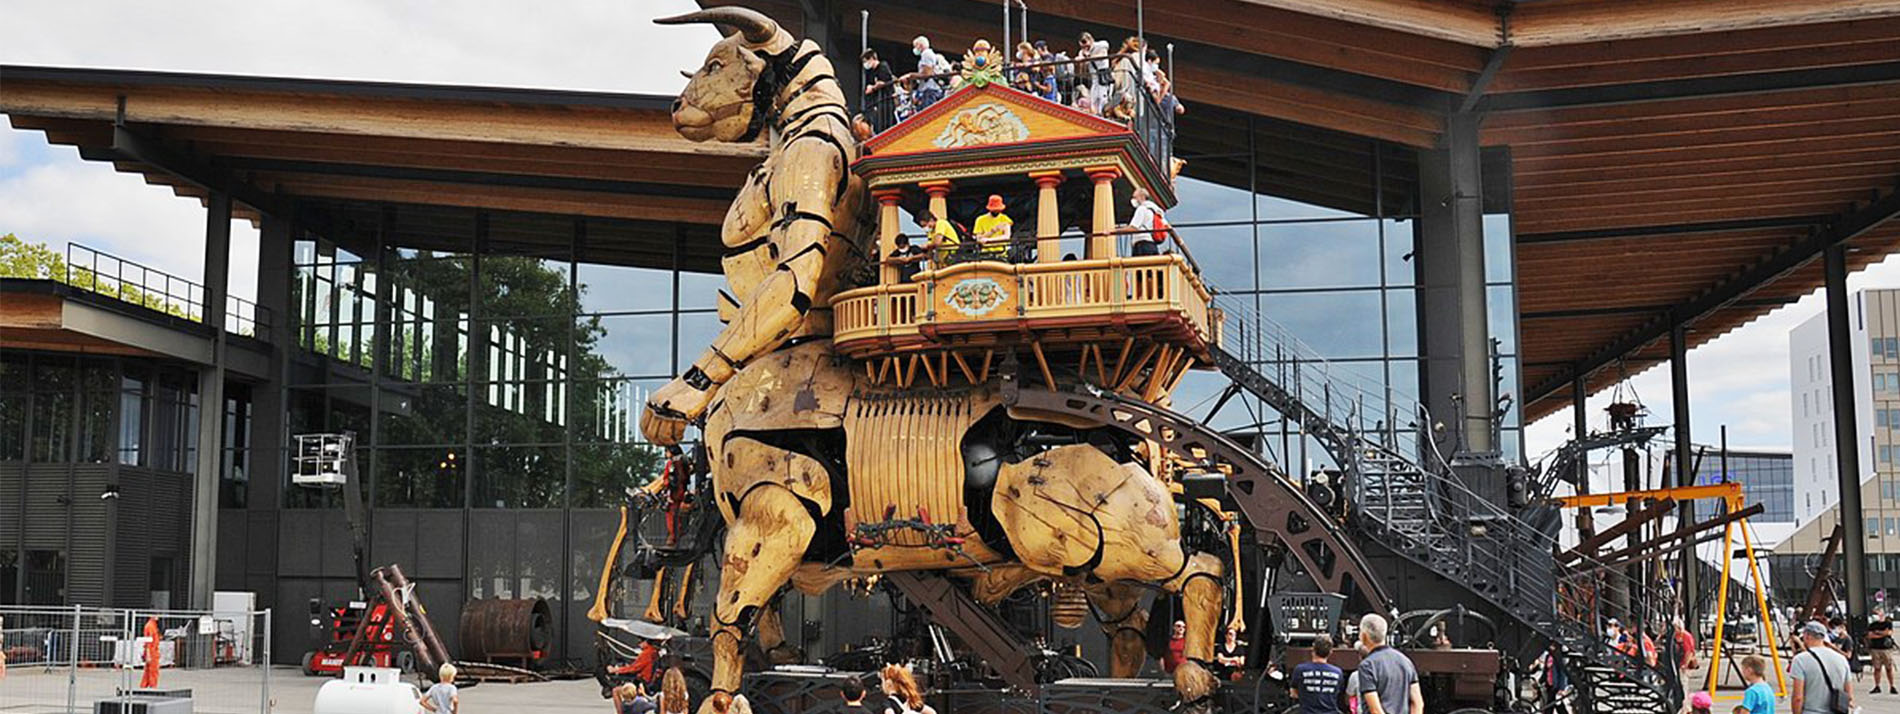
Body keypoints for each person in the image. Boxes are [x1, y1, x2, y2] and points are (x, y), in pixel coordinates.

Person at [1355, 613, 1423, 714]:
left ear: (1364, 635)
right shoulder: (1405, 661)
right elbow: (1418, 703)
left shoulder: (1367, 665)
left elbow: (1376, 710)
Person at [1791, 621, 1856, 714]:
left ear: (1807, 636)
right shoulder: (1841, 659)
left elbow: (1798, 697)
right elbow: (1849, 695)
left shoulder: (1800, 660)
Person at [1290, 634, 1344, 714]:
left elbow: (1293, 693)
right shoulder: (1338, 673)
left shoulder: (1300, 670)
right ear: (1330, 652)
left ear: (1313, 650)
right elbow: (1337, 693)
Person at [1128, 188, 1170, 256]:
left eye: (1135, 197)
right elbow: (1167, 226)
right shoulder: (1156, 211)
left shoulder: (1142, 209)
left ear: (1142, 197)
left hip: (1141, 245)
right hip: (1152, 245)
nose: (1133, 200)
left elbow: (1134, 227)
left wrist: (1113, 230)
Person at [912, 36, 948, 110]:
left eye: (915, 46)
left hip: (929, 89)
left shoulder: (926, 54)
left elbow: (927, 74)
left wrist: (911, 75)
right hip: (927, 89)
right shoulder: (926, 54)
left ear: (920, 45)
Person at [862, 49, 896, 126]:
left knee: (885, 123)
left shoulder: (883, 66)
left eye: (865, 61)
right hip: (877, 102)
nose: (865, 64)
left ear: (871, 58)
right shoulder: (871, 72)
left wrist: (872, 88)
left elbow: (883, 82)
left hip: (886, 102)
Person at [1869, 611, 1896, 694]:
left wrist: (1877, 633)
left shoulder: (1888, 624)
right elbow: (1870, 635)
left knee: (1889, 668)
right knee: (1877, 668)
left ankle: (1892, 686)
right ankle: (1877, 686)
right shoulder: (1872, 625)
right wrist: (1883, 633)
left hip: (1886, 649)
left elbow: (1889, 633)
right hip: (1875, 649)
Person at [140, 616, 162, 689]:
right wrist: (148, 654)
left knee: (147, 672)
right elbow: (148, 641)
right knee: (153, 672)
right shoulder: (150, 626)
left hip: (153, 651)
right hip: (152, 652)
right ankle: (153, 687)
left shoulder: (152, 625)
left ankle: (143, 687)